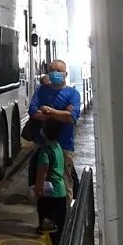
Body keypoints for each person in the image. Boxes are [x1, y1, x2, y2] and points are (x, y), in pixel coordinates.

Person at [27, 59, 81, 200]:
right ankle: (45, 216)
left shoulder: (73, 94)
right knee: (41, 182)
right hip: (42, 144)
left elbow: (71, 118)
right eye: (52, 70)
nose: (55, 73)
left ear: (66, 74)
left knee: (65, 181)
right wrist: (61, 113)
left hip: (64, 146)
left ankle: (66, 215)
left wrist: (48, 111)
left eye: (59, 70)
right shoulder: (41, 91)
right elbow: (33, 111)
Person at [33, 118, 68, 245]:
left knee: (47, 225)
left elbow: (43, 171)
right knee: (57, 225)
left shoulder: (45, 151)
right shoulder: (58, 147)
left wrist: (37, 189)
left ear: (45, 132)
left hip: (50, 195)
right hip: (61, 192)